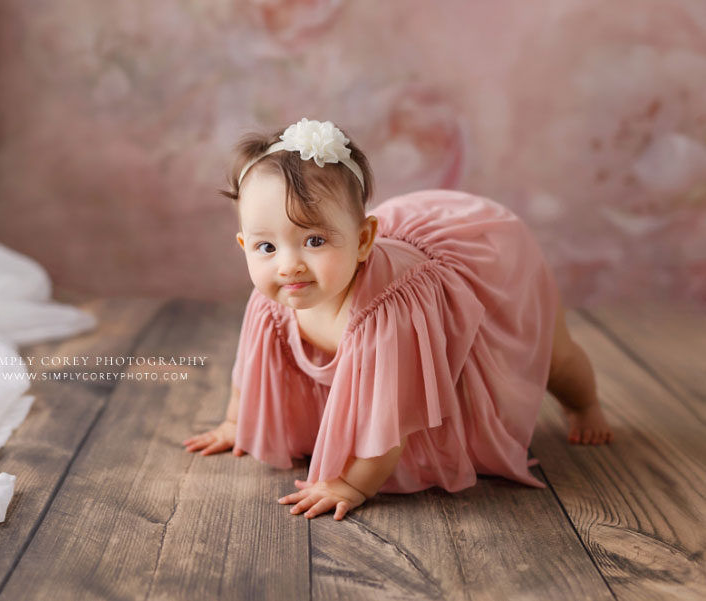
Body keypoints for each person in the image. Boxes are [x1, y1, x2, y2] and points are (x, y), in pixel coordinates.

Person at [182, 118, 613, 521]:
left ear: (365, 240)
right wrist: (236, 422)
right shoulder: (273, 298)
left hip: (488, 267)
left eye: (314, 240)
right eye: (266, 247)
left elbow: (391, 414)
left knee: (555, 357)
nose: (288, 265)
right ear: (244, 245)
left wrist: (351, 483)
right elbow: (250, 373)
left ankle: (585, 404)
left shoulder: (385, 316)